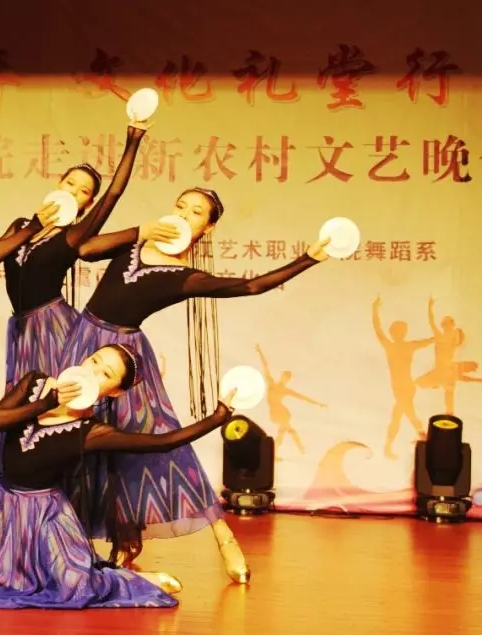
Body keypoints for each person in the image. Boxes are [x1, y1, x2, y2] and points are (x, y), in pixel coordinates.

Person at [61, 187, 331, 582]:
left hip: (125, 355)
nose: (185, 214)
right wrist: (142, 230)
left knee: (158, 443)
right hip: (82, 344)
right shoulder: (137, 242)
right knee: (69, 439)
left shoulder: (185, 277)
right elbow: (85, 249)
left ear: (208, 228)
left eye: (196, 212)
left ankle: (224, 537)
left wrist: (310, 257)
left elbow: (251, 287)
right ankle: (87, 541)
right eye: (180, 206)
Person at [0, 343, 236, 609]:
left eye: (105, 374)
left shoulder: (91, 431)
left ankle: (137, 580)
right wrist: (45, 403)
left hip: (42, 517)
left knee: (75, 587)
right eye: (94, 361)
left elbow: (163, 443)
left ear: (113, 392)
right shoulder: (36, 383)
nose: (93, 371)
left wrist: (218, 417)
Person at [0, 117, 177, 390]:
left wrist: (134, 139)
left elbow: (113, 194)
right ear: (58, 184)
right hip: (21, 327)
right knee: (25, 398)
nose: (73, 192)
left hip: (53, 326)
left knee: (57, 394)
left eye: (83, 191)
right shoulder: (21, 226)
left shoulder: (74, 235)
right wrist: (34, 226)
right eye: (70, 183)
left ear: (87, 204)